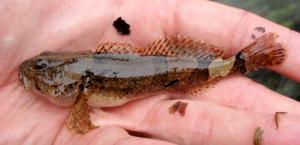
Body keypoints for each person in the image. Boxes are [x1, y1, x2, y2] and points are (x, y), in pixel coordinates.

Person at [0, 0, 300, 144]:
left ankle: (243, 61)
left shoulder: (82, 85)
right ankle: (243, 61)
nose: (32, 76)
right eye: (41, 70)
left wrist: (80, 122)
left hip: (180, 68)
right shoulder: (80, 79)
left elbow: (80, 123)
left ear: (77, 88)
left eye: (41, 70)